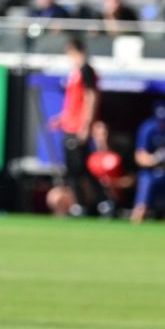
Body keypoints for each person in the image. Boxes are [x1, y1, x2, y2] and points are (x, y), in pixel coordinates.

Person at [48, 38, 99, 214]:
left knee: (79, 168)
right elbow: (74, 103)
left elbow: (91, 97)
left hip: (77, 128)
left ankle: (90, 203)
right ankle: (81, 203)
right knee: (74, 168)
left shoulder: (85, 70)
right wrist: (61, 118)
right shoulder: (75, 72)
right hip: (70, 126)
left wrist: (85, 125)